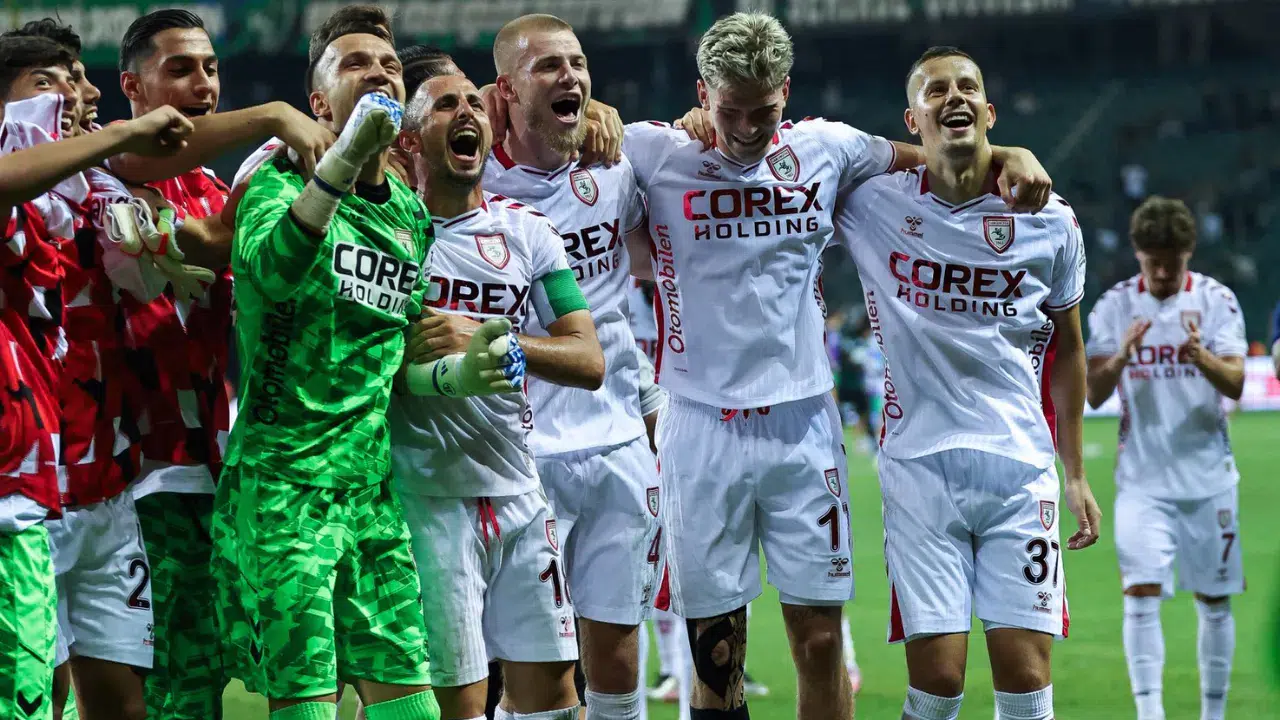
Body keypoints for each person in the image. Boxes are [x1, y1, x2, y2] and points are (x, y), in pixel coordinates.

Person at [624, 12, 1052, 718]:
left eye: (763, 111)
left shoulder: (828, 148)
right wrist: (597, 113)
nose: (747, 129)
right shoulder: (653, 152)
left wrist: (1006, 151)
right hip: (699, 427)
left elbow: (933, 156)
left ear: (786, 93)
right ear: (702, 94)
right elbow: (568, 141)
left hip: (802, 426)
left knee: (822, 643)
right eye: (730, 111)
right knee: (716, 655)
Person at [212, 8, 522, 719]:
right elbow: (272, 274)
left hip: (372, 494)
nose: (379, 72)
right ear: (319, 103)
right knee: (309, 706)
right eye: (354, 64)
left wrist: (459, 376)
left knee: (412, 705)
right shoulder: (277, 183)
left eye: (388, 65)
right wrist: (341, 162)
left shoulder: (407, 212)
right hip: (283, 489)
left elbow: (397, 353)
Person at [827, 45, 1099, 720]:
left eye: (968, 87)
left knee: (1026, 677)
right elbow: (787, 160)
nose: (954, 97)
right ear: (912, 120)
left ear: (989, 111)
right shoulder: (870, 204)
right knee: (939, 683)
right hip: (918, 472)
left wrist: (1075, 473)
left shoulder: (1050, 220)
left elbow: (1069, 349)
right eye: (936, 90)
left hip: (1020, 470)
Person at [391, 65, 607, 720]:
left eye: (473, 103)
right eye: (444, 105)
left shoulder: (530, 231)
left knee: (555, 698)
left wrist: (503, 341)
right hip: (424, 497)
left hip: (519, 492)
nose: (467, 112)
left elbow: (587, 358)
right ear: (408, 141)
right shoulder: (385, 234)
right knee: (450, 703)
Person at [477, 15, 665, 720]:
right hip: (520, 454)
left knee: (617, 658)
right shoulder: (475, 177)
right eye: (549, 66)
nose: (572, 78)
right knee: (525, 671)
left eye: (578, 64)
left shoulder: (615, 167)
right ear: (505, 90)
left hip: (617, 443)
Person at [0, 34, 193, 720]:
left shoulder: (95, 198)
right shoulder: (16, 196)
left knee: (120, 707)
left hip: (102, 487)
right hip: (24, 495)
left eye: (81, 80)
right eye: (50, 82)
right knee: (36, 699)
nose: (79, 96)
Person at [1085, 196, 1247, 720]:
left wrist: (1201, 356)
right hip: (1142, 482)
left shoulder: (1217, 301)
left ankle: (1213, 714)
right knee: (1140, 593)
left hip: (1209, 479)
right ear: (1138, 254)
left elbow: (1237, 383)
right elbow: (1093, 393)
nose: (1161, 273)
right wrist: (1122, 357)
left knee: (1214, 602)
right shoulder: (1114, 306)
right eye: (1152, 261)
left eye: (1171, 263)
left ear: (1188, 254)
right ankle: (1149, 714)